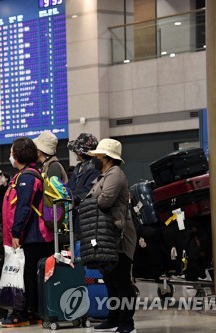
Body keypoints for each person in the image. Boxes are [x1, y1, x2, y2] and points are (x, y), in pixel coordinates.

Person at [0, 137, 54, 328]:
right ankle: (31, 311)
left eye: (12, 151)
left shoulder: (28, 177)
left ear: (18, 154)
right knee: (29, 275)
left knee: (26, 275)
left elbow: (24, 207)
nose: (10, 155)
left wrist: (16, 233)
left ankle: (25, 312)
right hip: (30, 235)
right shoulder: (23, 175)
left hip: (33, 236)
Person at [86, 138, 137, 333]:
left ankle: (127, 322)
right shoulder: (104, 175)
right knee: (110, 278)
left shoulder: (115, 175)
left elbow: (105, 200)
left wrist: (87, 204)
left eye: (98, 154)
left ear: (106, 156)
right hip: (107, 233)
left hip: (120, 234)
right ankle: (114, 317)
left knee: (121, 279)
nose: (96, 157)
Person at [67, 133, 101, 236]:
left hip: (85, 224)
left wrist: (69, 195)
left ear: (81, 153)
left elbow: (87, 192)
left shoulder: (96, 171)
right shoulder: (78, 168)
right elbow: (68, 188)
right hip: (74, 223)